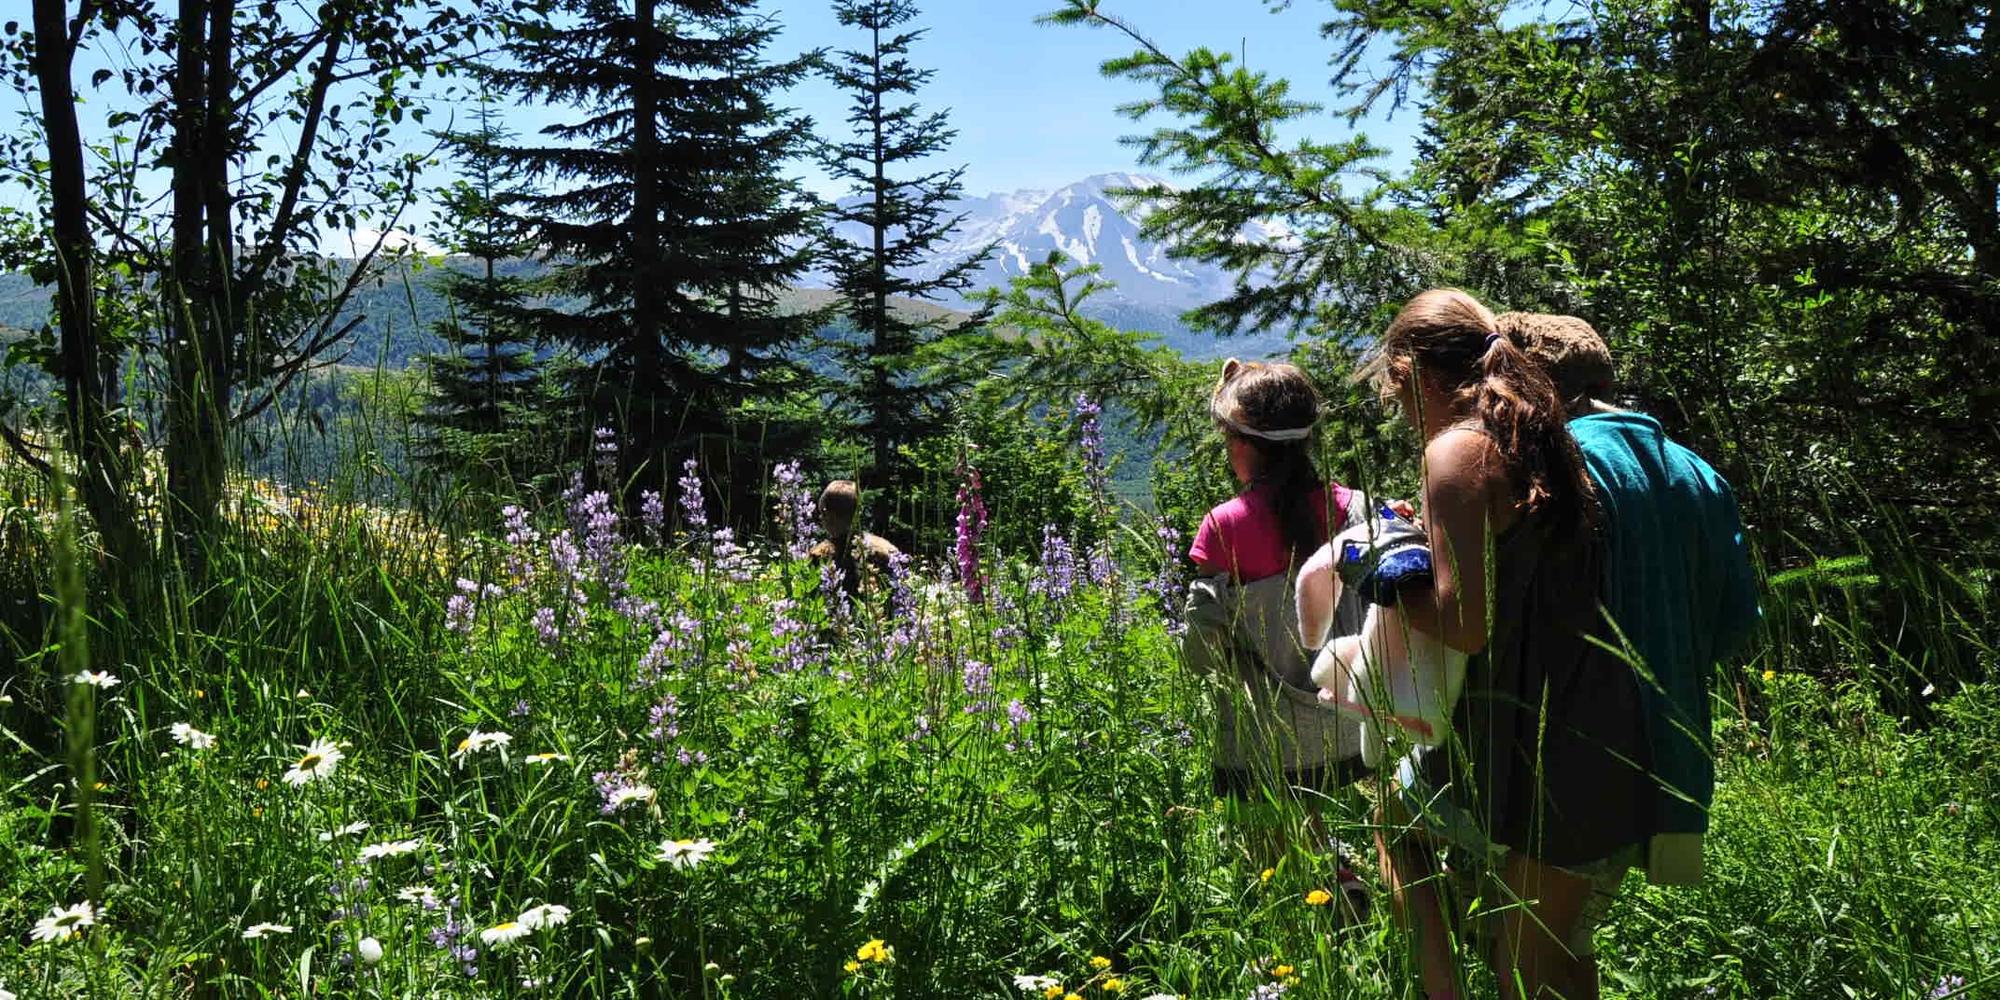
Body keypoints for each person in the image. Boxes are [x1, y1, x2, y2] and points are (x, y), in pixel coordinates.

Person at [1363, 289, 1655, 1000]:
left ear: (1411, 374)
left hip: (1528, 741)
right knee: (1560, 949)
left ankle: (1441, 991)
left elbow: (1465, 623)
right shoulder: (1543, 433)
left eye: (1398, 397)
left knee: (1400, 838)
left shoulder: (1456, 450)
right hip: (1608, 723)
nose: (1405, 417)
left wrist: (1379, 576)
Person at [1504, 311, 1760, 887]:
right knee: (1567, 944)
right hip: (1673, 758)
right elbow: (1739, 619)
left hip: (1566, 754)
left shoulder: (1556, 468)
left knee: (1527, 954)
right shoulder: (1698, 472)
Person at [1179, 359, 1373, 901]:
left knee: (1273, 869)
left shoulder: (1224, 526)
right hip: (1353, 727)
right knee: (1350, 823)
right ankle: (1351, 888)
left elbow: (1200, 654)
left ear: (1244, 445)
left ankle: (1308, 920)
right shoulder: (1357, 510)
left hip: (1266, 739)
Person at [807, 481, 900, 596]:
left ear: (827, 513)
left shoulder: (820, 555)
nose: (821, 518)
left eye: (821, 513)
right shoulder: (887, 549)